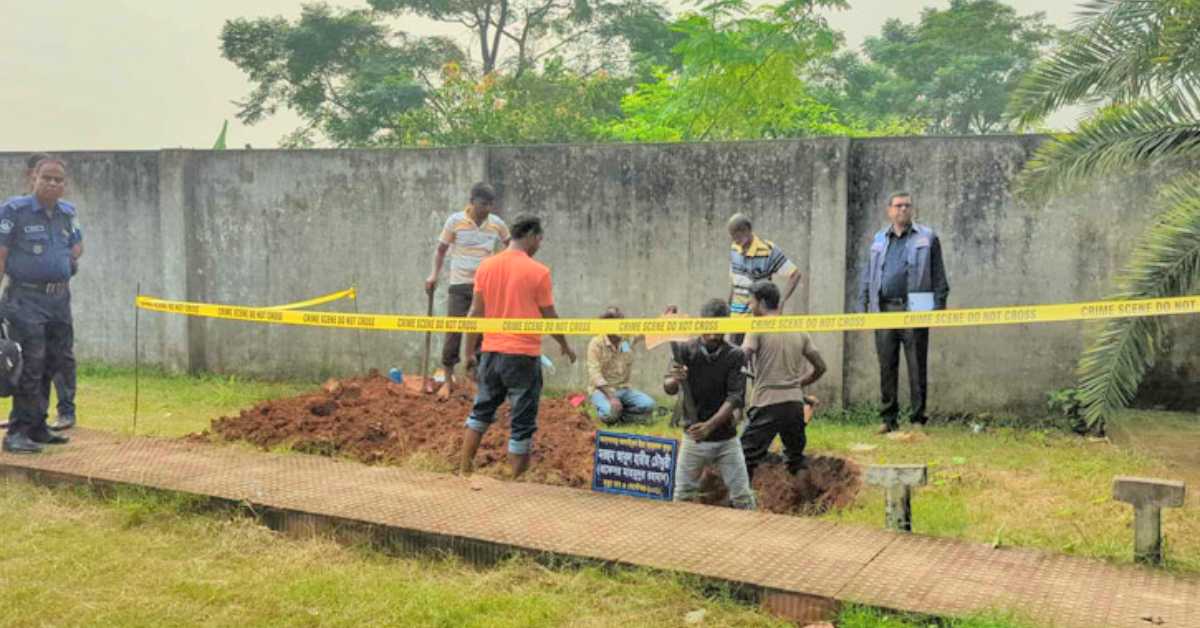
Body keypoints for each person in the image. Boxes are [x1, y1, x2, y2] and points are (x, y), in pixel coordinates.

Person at [459, 215, 576, 478]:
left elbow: (474, 313)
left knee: (481, 411)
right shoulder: (539, 272)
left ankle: (464, 470)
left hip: (490, 353)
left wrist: (468, 354)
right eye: (540, 240)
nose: (539, 245)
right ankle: (516, 480)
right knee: (522, 422)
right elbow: (550, 316)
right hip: (522, 357)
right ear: (532, 235)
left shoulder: (486, 267)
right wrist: (565, 345)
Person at [0, 157, 82, 453]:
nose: (53, 183)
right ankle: (17, 432)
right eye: (46, 177)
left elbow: (77, 245)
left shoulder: (67, 213)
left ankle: (37, 425)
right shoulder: (14, 211)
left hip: (59, 299)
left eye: (59, 179)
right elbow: (1, 255)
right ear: (33, 177)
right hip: (25, 299)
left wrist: (65, 261)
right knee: (31, 364)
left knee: (53, 361)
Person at [856, 192, 949, 434]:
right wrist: (862, 305)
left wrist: (939, 306)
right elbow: (868, 274)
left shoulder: (927, 237)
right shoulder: (878, 239)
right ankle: (888, 419)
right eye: (898, 206)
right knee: (886, 364)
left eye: (907, 206)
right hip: (884, 308)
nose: (903, 210)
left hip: (917, 305)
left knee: (917, 365)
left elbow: (938, 274)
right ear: (889, 210)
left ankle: (917, 419)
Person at [664, 299, 755, 510]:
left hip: (726, 440)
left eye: (719, 330)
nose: (713, 335)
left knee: (743, 497)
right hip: (693, 438)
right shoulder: (685, 351)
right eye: (709, 328)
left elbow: (735, 398)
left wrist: (709, 426)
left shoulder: (735, 355)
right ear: (701, 323)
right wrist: (675, 378)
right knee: (682, 495)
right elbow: (668, 387)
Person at [425, 182, 509, 391]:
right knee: (454, 329)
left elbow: (511, 247)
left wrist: (498, 265)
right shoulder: (455, 221)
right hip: (459, 283)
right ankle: (448, 379)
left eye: (490, 204)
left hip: (485, 286)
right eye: (483, 204)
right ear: (471, 202)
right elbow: (441, 250)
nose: (487, 209)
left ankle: (475, 380)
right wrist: (434, 274)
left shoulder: (497, 223)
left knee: (482, 332)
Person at [739, 281, 826, 480]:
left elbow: (742, 357)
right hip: (795, 404)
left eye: (751, 303)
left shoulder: (757, 327)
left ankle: (741, 507)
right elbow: (821, 367)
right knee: (795, 459)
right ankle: (810, 507)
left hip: (766, 403)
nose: (749, 307)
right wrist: (797, 383)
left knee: (743, 457)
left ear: (761, 303)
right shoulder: (798, 328)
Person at [727, 213, 801, 346]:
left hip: (758, 319)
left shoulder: (768, 250)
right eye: (732, 237)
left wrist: (781, 301)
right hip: (736, 318)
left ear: (747, 230)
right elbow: (735, 280)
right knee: (735, 360)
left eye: (737, 237)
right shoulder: (734, 249)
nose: (735, 241)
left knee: (758, 358)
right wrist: (729, 305)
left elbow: (795, 274)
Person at [586, 307, 656, 425]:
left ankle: (621, 416)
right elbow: (594, 374)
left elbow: (645, 330)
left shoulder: (626, 338)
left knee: (649, 405)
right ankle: (610, 413)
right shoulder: (596, 343)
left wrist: (666, 318)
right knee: (610, 413)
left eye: (622, 322)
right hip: (603, 391)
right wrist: (611, 397)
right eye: (618, 322)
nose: (622, 326)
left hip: (624, 389)